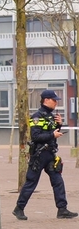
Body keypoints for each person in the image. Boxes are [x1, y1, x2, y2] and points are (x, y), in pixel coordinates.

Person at [14, 89, 78, 220]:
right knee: (31, 182)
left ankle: (62, 209)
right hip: (39, 154)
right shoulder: (37, 117)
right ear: (46, 100)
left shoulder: (50, 116)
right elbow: (36, 136)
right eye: (54, 100)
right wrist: (52, 135)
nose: (56, 103)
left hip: (50, 154)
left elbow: (53, 132)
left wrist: (59, 125)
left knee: (58, 181)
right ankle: (19, 208)